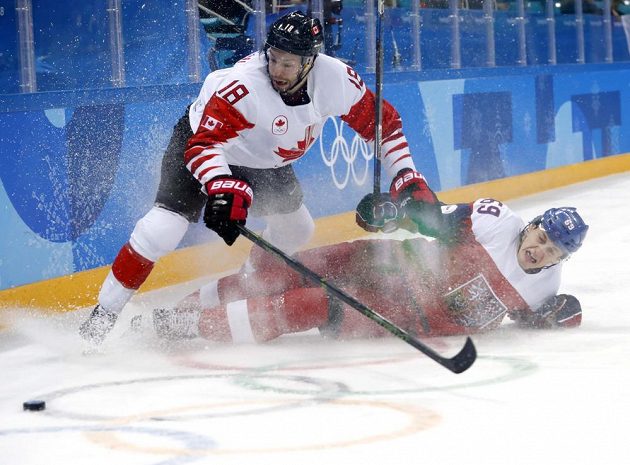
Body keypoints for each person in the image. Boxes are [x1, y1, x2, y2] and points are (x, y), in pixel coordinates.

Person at [79, 11, 438, 344]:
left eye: (289, 62)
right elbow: (203, 146)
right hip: (202, 143)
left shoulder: (336, 81)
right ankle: (103, 317)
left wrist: (406, 177)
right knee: (162, 230)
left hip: (265, 159)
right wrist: (223, 187)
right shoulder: (243, 88)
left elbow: (384, 128)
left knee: (298, 230)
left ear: (310, 63)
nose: (278, 70)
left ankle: (248, 283)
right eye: (274, 58)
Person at [151, 194, 589, 343]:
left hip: (401, 314)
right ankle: (189, 305)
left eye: (552, 252)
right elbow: (435, 217)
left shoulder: (543, 289)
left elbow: (549, 317)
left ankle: (189, 327)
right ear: (532, 226)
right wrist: (395, 212)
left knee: (307, 304)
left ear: (562, 261)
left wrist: (565, 315)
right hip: (390, 262)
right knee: (288, 268)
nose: (540, 251)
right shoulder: (495, 221)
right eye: (542, 238)